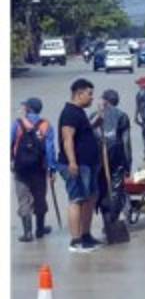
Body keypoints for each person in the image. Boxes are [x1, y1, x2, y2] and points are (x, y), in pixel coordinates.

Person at [58, 78, 103, 253]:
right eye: (89, 94)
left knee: (89, 199)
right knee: (77, 200)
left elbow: (82, 135)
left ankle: (86, 235)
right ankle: (75, 241)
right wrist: (72, 162)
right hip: (77, 165)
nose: (92, 98)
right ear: (79, 94)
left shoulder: (79, 112)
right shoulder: (69, 113)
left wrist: (95, 123)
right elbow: (67, 139)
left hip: (88, 164)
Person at [11, 97, 57, 243]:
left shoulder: (17, 124)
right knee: (40, 197)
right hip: (39, 169)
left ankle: (27, 233)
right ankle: (40, 229)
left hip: (21, 169)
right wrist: (52, 169)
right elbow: (50, 149)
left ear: (28, 109)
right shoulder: (46, 125)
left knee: (23, 198)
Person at [94, 89, 133, 226]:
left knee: (102, 188)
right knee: (115, 189)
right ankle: (112, 221)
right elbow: (126, 143)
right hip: (116, 157)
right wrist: (128, 165)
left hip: (97, 159)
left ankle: (107, 221)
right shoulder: (122, 116)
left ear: (104, 100)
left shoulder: (94, 115)